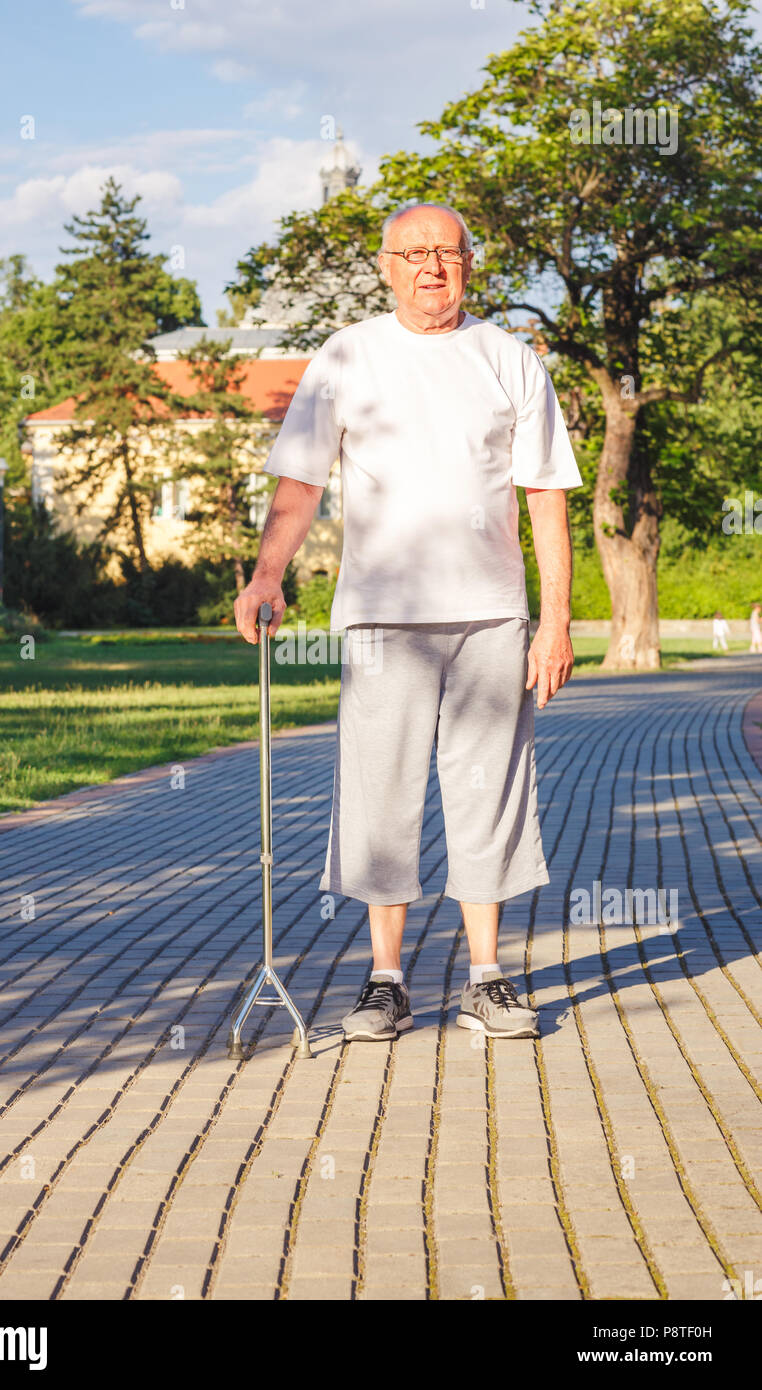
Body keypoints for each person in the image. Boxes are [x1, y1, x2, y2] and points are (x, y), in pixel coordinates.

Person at [234, 203, 582, 1043]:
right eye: (415, 253)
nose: (433, 265)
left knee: (488, 794)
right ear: (386, 266)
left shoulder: (509, 358)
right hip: (384, 616)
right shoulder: (348, 355)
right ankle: (386, 982)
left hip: (491, 613)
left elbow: (545, 495)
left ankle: (488, 979)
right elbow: (301, 482)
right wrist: (266, 575)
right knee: (379, 794)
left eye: (448, 252)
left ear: (471, 264)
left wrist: (558, 617)